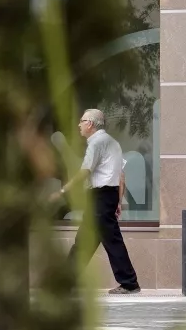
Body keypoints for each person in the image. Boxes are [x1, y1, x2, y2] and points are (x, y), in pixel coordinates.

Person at [53, 108, 141, 295]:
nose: (79, 125)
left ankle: (129, 283)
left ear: (90, 124)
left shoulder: (96, 143)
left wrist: (62, 190)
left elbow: (85, 171)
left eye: (82, 121)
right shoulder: (113, 143)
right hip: (105, 196)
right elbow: (121, 176)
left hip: (100, 196)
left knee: (111, 240)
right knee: (85, 240)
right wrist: (117, 202)